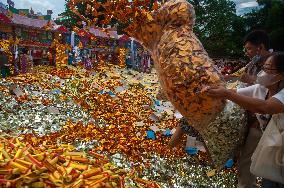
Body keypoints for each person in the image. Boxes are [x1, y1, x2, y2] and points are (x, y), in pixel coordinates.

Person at [207, 52, 284, 188]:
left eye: (268, 69)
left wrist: (227, 93)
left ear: (281, 75)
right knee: (266, 175)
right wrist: (215, 88)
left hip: (280, 142)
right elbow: (236, 93)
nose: (262, 73)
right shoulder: (261, 88)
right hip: (268, 137)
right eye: (263, 67)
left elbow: (265, 107)